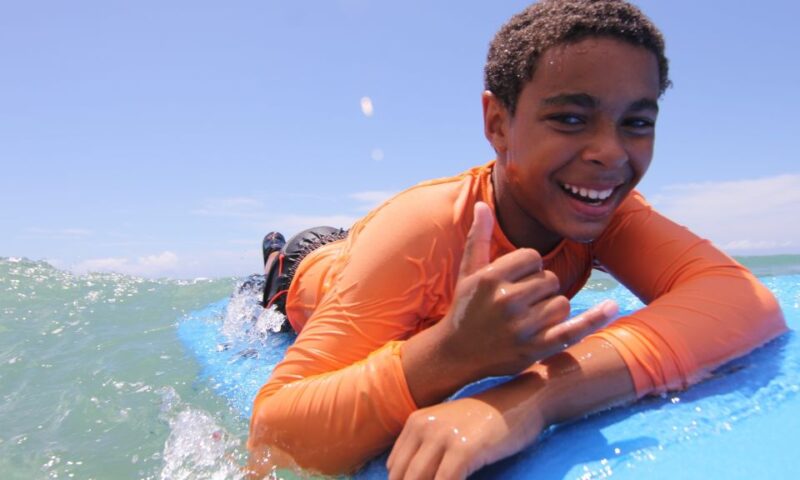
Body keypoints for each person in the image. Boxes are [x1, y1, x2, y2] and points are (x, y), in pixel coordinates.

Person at [246, 1, 787, 478]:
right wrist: (449, 355)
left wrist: (534, 398)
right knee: (283, 279)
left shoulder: (604, 210)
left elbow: (742, 298)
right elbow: (272, 433)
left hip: (367, 257)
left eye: (637, 122)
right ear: (498, 123)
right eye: (572, 118)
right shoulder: (426, 230)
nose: (611, 153)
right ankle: (271, 258)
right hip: (309, 270)